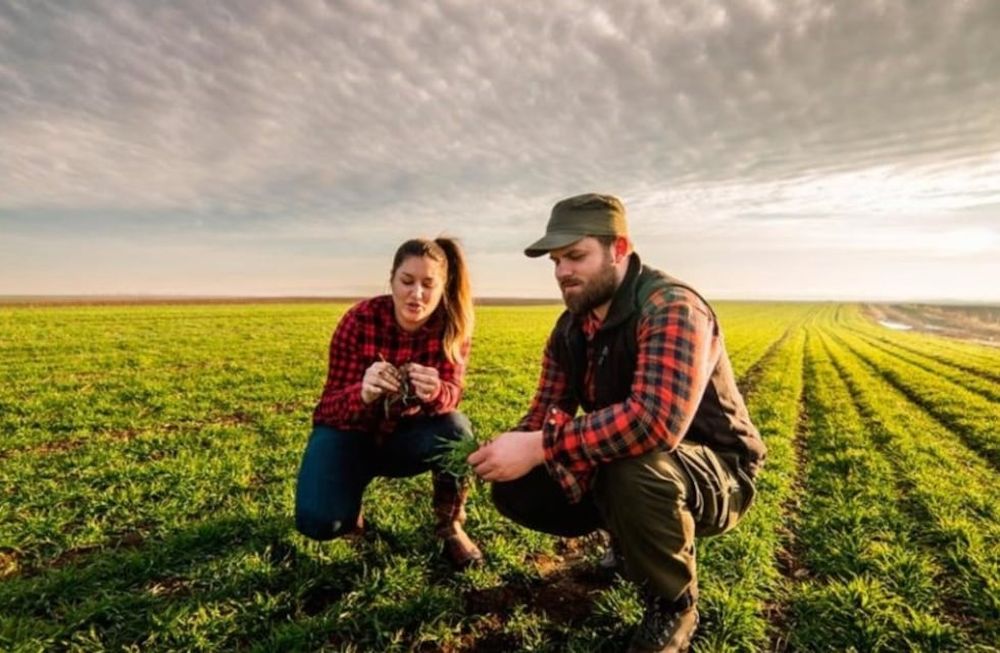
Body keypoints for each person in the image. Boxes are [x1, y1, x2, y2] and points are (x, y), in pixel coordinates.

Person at [468, 194, 765, 652]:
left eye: (576, 255)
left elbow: (654, 424)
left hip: (719, 470)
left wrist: (541, 447)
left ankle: (674, 605)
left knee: (631, 463)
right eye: (556, 261)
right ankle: (625, 545)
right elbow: (545, 410)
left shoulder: (671, 306)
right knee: (519, 483)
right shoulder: (570, 328)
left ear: (619, 249)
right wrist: (504, 448)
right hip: (638, 459)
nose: (563, 271)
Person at [295, 237, 483, 569]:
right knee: (318, 522)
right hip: (351, 434)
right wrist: (362, 393)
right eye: (407, 281)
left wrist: (436, 391)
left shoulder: (452, 327)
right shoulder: (360, 320)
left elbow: (453, 396)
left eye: (428, 284)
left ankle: (450, 525)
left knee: (457, 430)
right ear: (392, 280)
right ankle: (349, 514)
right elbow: (327, 410)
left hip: (406, 439)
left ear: (442, 287)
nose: (417, 294)